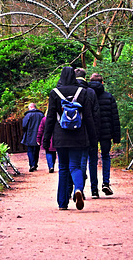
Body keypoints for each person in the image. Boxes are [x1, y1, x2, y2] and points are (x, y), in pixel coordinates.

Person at [43, 66, 97, 210]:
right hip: (79, 136)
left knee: (63, 168)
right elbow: (89, 117)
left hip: (60, 136)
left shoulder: (54, 93)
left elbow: (50, 118)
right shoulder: (82, 92)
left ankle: (62, 203)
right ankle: (78, 189)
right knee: (75, 166)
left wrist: (46, 139)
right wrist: (93, 139)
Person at [89, 73, 121, 196]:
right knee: (106, 156)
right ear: (102, 82)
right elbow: (115, 118)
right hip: (106, 132)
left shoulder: (87, 96)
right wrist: (116, 136)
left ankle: (94, 189)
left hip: (92, 133)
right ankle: (106, 183)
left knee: (92, 159)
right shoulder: (108, 97)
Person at [75, 67, 100, 198]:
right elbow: (96, 114)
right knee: (93, 161)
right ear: (85, 77)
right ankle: (94, 190)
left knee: (80, 162)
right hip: (91, 131)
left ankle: (80, 189)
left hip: (75, 132)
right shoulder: (90, 92)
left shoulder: (72, 91)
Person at [21, 103, 44, 172]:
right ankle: (35, 164)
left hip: (30, 135)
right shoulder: (41, 115)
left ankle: (32, 164)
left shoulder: (28, 115)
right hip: (39, 134)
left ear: (31, 107)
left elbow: (24, 125)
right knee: (36, 150)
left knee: (30, 150)